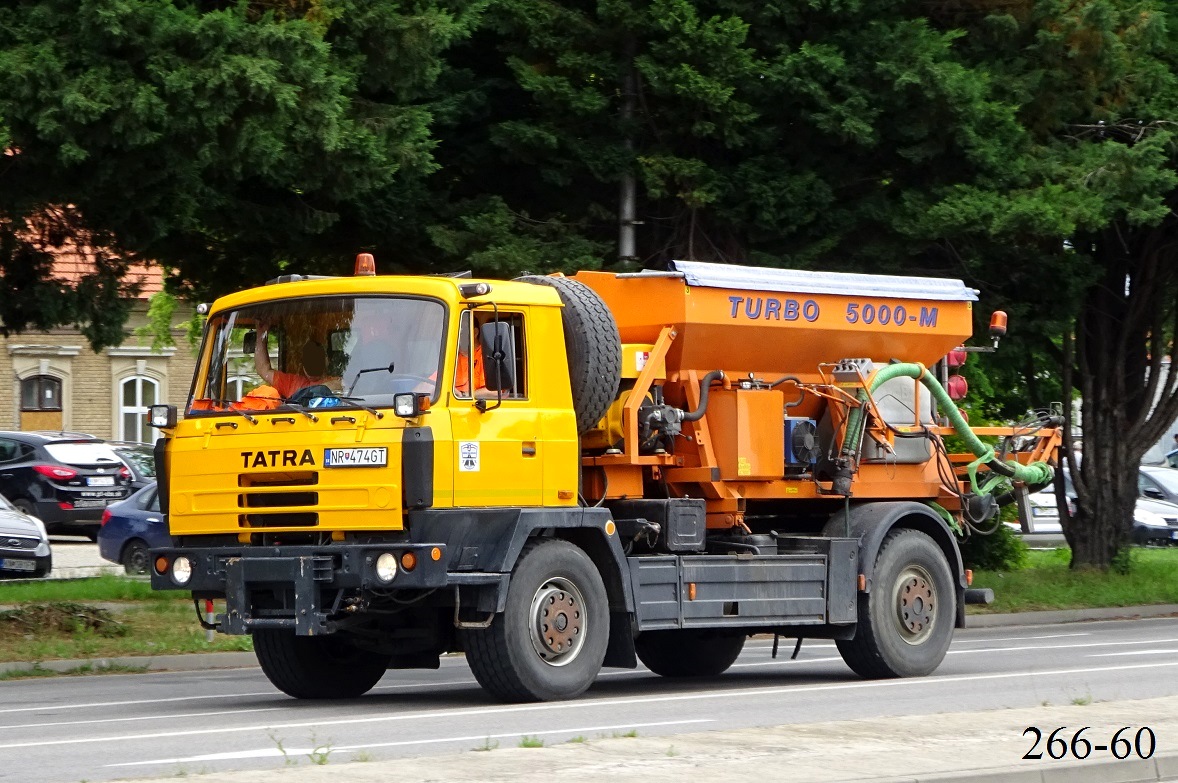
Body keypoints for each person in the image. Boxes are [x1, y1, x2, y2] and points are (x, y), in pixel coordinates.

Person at [253, 325, 338, 400]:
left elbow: (344, 385)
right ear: (303, 364)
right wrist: (261, 333)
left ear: (326, 361)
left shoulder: (336, 382)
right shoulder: (291, 382)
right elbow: (263, 370)